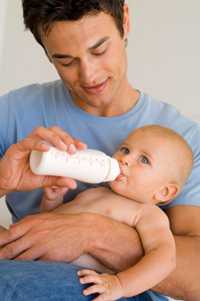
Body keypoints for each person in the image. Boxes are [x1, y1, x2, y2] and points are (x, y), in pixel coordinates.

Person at [0, 1, 199, 300]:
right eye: (66, 61)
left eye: (99, 50)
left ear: (125, 20)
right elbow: (50, 220)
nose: (89, 75)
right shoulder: (12, 113)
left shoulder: (180, 142)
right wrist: (5, 182)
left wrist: (93, 234)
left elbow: (192, 273)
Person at [41, 125, 193, 300]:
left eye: (144, 160)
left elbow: (165, 260)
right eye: (125, 149)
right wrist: (52, 201)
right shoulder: (92, 193)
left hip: (86, 282)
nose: (125, 159)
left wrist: (120, 284)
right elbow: (50, 225)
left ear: (164, 192)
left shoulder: (148, 214)